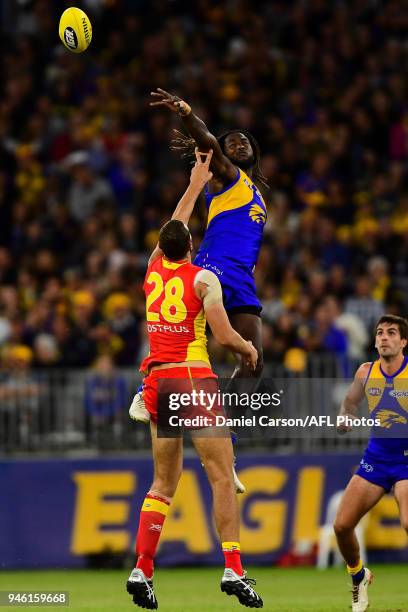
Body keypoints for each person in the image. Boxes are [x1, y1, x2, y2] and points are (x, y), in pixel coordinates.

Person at [126, 151, 263, 609]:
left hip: (159, 384)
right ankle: (234, 569)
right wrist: (247, 349)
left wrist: (192, 185)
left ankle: (142, 570)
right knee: (222, 477)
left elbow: (176, 222)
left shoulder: (152, 270)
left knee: (162, 484)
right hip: (194, 379)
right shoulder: (203, 279)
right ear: (191, 246)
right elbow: (225, 335)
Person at [150, 88, 267, 380]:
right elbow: (207, 140)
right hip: (214, 270)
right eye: (230, 143)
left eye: (243, 140)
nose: (238, 144)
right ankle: (148, 390)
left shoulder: (255, 193)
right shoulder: (229, 177)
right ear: (220, 157)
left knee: (254, 363)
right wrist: (187, 113)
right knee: (185, 346)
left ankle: (230, 424)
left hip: (241, 278)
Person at [334, 314, 408, 612]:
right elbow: (350, 403)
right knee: (341, 525)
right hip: (376, 460)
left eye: (391, 333)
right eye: (380, 333)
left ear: (404, 341)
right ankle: (358, 575)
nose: (384, 337)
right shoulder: (365, 372)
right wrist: (345, 416)